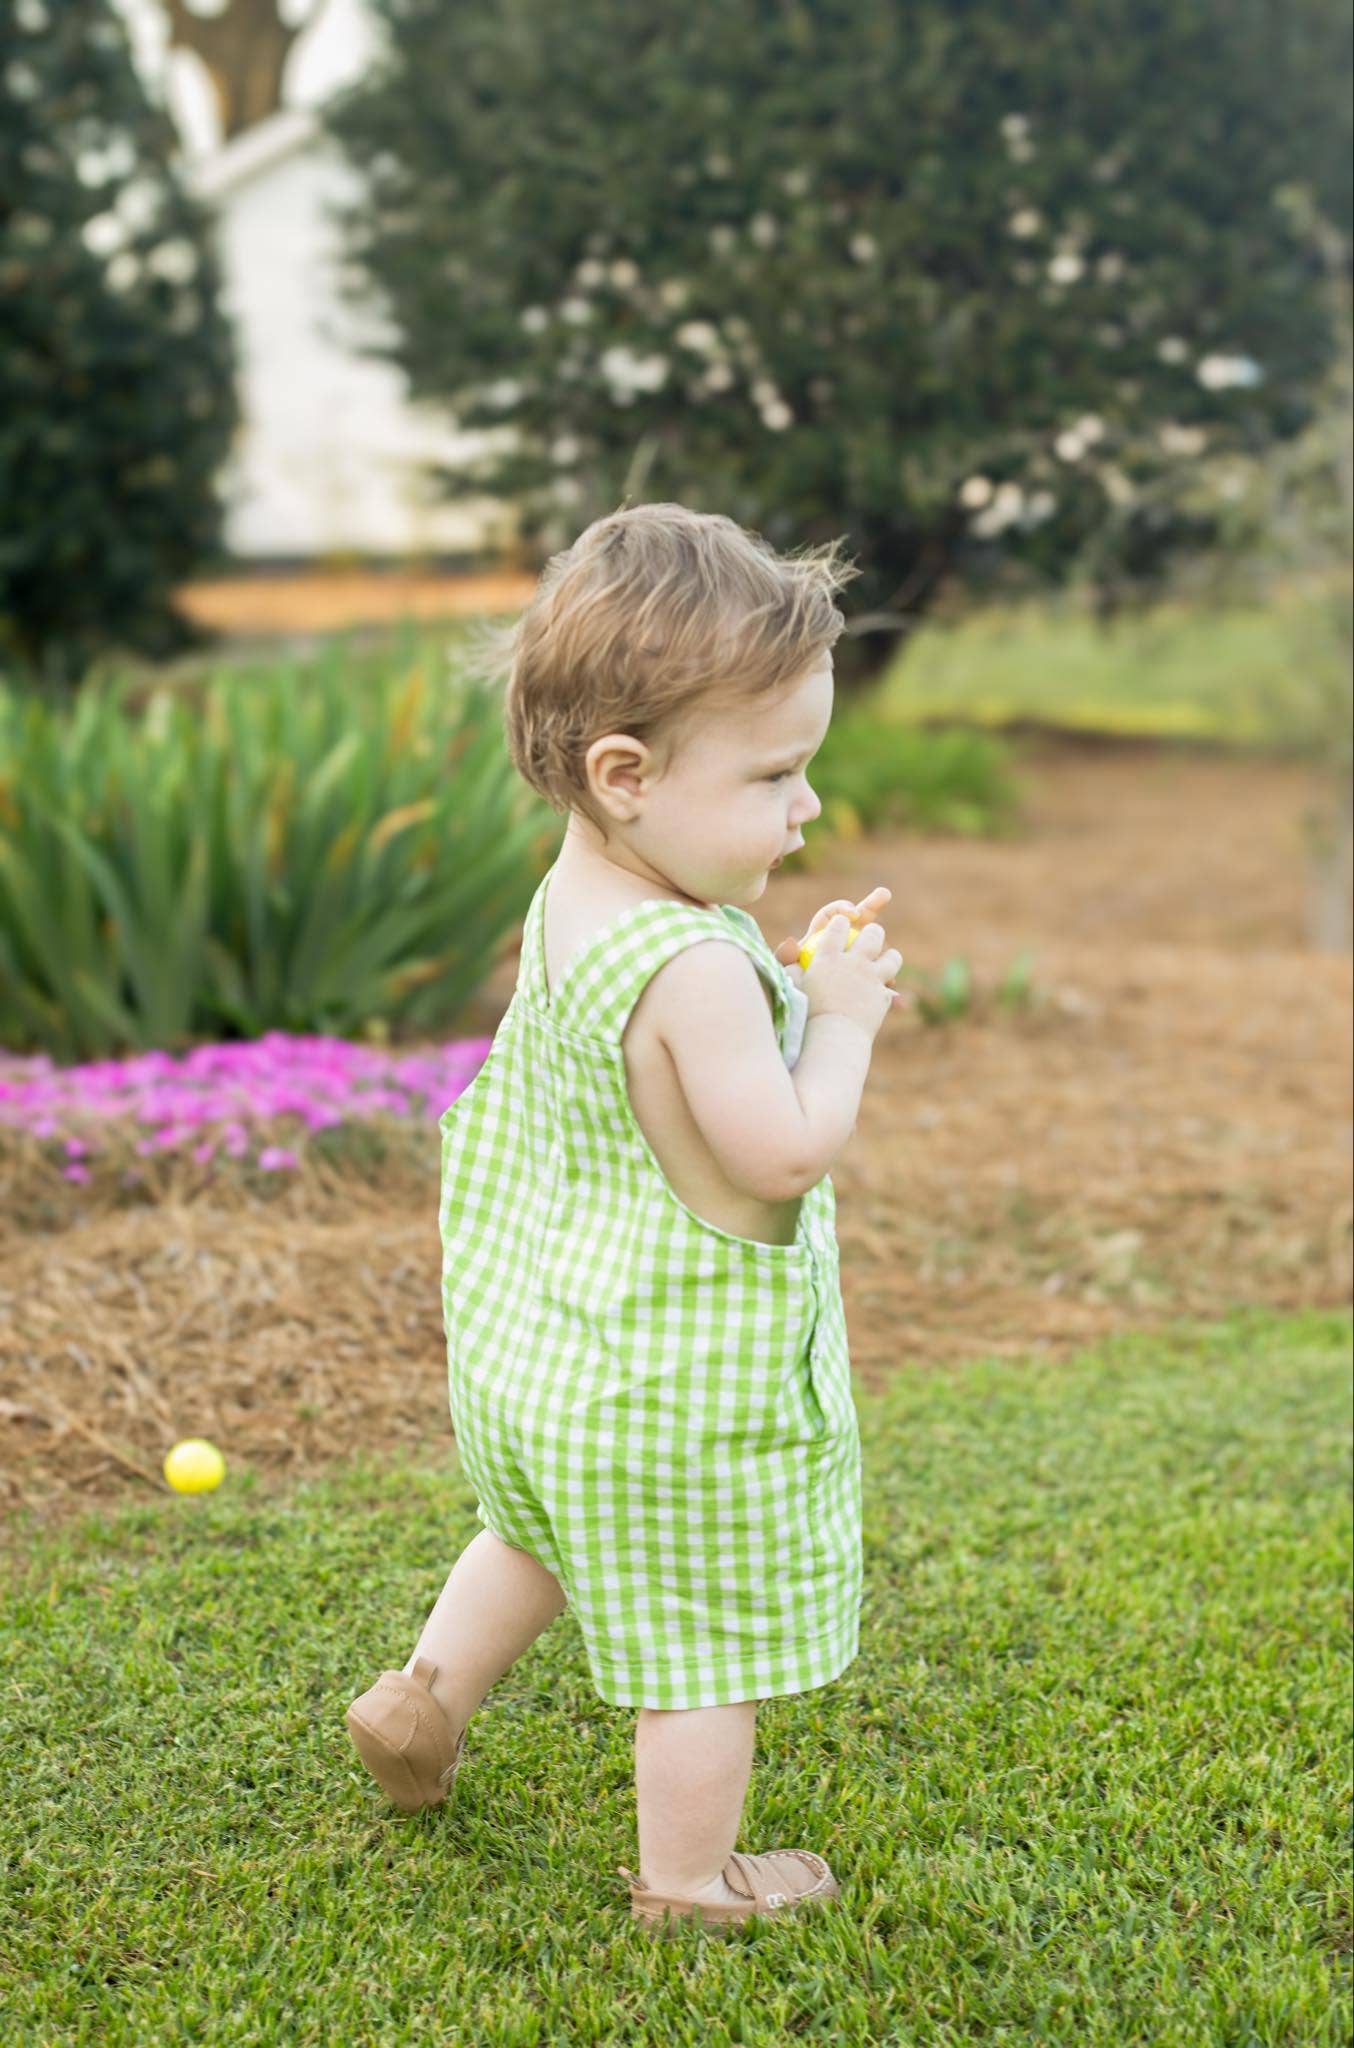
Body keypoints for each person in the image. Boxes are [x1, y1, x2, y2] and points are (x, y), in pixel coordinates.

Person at [345, 502, 905, 1932]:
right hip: (674, 1392)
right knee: (698, 1645)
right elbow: (778, 1155)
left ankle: (422, 1704)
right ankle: (685, 1883)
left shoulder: (580, 894)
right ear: (626, 774)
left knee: (535, 1534)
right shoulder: (695, 966)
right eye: (777, 773)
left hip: (545, 1358)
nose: (807, 808)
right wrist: (838, 1021)